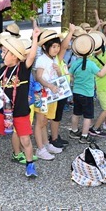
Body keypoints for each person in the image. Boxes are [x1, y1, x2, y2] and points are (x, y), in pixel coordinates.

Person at [0, 28, 41, 177]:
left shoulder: (23, 69)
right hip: (2, 111)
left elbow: (31, 56)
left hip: (20, 111)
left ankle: (30, 165)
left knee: (25, 140)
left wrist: (35, 39)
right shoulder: (2, 71)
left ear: (13, 55)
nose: (1, 54)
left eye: (4, 52)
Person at [68, 34, 106, 144]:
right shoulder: (91, 64)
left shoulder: (75, 63)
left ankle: (74, 131)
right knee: (88, 116)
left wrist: (75, 80)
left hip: (76, 92)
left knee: (76, 113)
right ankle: (84, 136)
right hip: (87, 94)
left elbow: (70, 75)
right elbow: (101, 74)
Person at [33, 29, 64, 160]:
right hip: (42, 94)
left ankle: (46, 144)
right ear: (45, 47)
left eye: (58, 46)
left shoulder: (54, 59)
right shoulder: (41, 59)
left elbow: (59, 77)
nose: (56, 49)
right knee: (40, 122)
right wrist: (50, 85)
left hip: (52, 95)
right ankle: (40, 148)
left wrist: (59, 72)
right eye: (53, 46)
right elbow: (38, 77)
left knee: (45, 121)